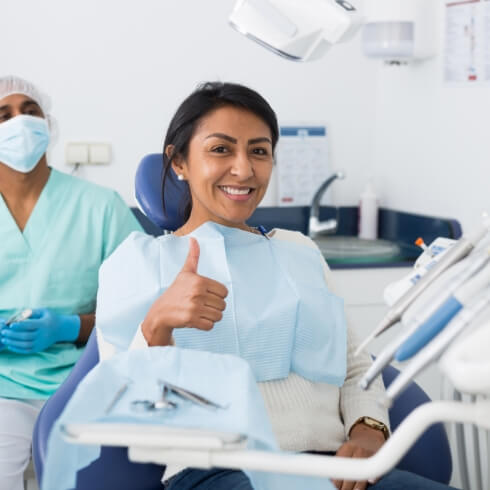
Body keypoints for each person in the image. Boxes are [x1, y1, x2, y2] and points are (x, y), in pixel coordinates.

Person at [95, 82, 458, 490]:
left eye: (259, 151)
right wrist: (157, 326)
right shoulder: (135, 264)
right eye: (221, 149)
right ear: (179, 161)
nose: (244, 169)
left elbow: (355, 365)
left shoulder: (298, 250)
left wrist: (368, 431)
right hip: (216, 472)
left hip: (335, 470)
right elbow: (122, 408)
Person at [0, 75, 143, 490]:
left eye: (30, 111)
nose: (19, 122)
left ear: (48, 123)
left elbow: (146, 310)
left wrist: (71, 327)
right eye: (3, 115)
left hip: (83, 379)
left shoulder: (100, 207)